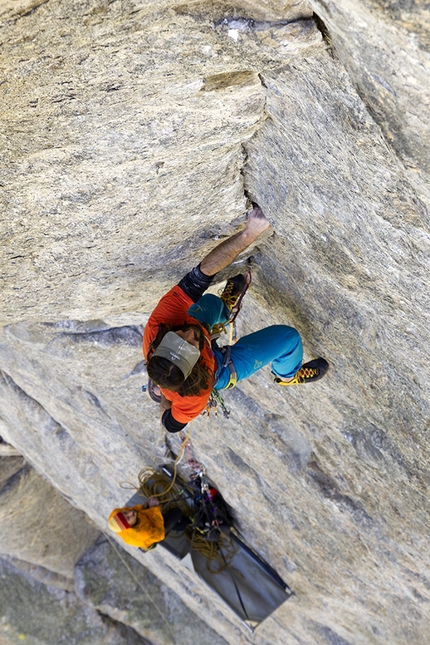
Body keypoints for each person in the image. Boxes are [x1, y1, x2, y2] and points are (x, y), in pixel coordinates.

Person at [143, 204, 328, 433]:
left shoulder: (158, 326)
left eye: (179, 336)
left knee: (207, 302)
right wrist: (166, 398)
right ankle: (288, 375)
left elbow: (199, 276)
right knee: (289, 338)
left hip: (190, 350)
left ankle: (223, 308)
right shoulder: (194, 397)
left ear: (161, 343)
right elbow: (170, 424)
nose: (190, 334)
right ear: (192, 367)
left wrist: (248, 234)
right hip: (219, 370)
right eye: (191, 345)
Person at [108, 497, 188, 550]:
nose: (130, 513)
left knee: (162, 516)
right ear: (130, 526)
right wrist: (154, 508)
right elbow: (160, 533)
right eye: (128, 518)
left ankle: (175, 523)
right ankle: (187, 522)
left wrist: (143, 507)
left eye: (125, 513)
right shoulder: (142, 534)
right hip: (155, 533)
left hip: (144, 523)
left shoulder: (116, 514)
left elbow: (132, 510)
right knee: (176, 513)